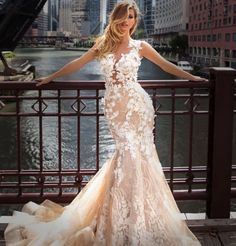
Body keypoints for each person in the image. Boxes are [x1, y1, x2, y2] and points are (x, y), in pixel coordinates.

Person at [0, 1, 204, 245]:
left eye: (131, 17)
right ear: (115, 18)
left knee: (138, 157)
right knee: (125, 156)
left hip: (138, 107)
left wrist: (191, 76)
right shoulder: (103, 44)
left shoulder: (141, 46)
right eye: (123, 16)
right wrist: (52, 77)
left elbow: (164, 64)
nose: (126, 21)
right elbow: (77, 64)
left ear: (134, 21)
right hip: (115, 109)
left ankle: (136, 217)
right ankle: (121, 215)